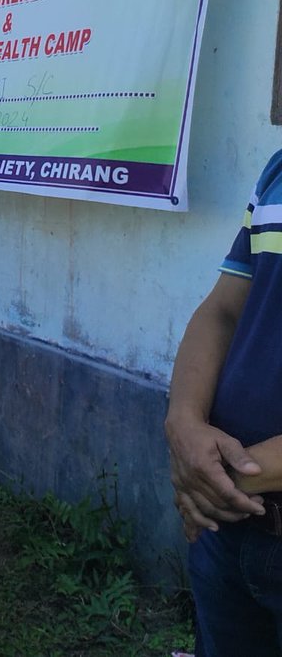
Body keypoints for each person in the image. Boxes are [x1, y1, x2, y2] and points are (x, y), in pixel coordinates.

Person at [166, 149, 282, 655]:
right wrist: (184, 422)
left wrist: (216, 478)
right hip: (226, 532)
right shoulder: (278, 169)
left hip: (219, 496)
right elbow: (223, 309)